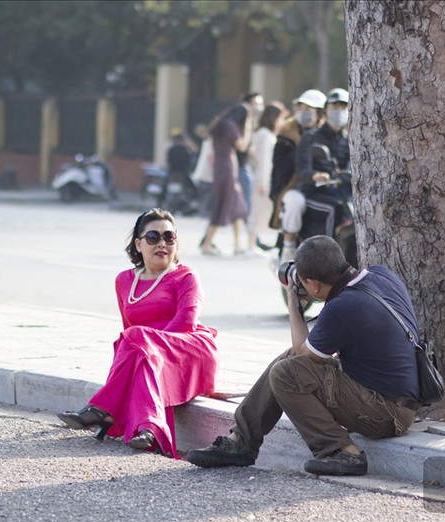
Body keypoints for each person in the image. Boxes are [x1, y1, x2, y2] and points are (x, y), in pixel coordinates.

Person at [186, 235, 421, 476]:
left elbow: (304, 355)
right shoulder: (381, 275)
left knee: (287, 373)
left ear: (314, 284)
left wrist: (292, 302)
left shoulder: (342, 307)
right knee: (290, 359)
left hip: (387, 413)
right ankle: (241, 441)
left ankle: (342, 452)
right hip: (395, 399)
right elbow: (302, 352)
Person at [58, 209, 219, 458]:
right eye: (153, 237)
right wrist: (147, 352)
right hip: (149, 354)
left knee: (138, 340)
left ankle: (102, 409)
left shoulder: (186, 276)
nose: (162, 243)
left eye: (169, 237)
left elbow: (186, 322)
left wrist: (150, 348)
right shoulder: (124, 280)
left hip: (188, 349)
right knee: (136, 343)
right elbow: (126, 328)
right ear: (138, 243)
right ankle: (148, 430)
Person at [281, 88, 350, 262]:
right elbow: (302, 171)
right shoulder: (311, 137)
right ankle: (326, 258)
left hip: (343, 193)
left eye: (343, 107)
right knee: (334, 208)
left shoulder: (350, 139)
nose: (338, 111)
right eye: (335, 106)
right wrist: (316, 176)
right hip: (314, 193)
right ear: (326, 109)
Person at [268, 89, 327, 262]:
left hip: (321, 188)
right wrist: (302, 146)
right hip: (291, 187)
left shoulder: (325, 135)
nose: (305, 112)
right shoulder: (286, 135)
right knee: (295, 203)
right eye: (302, 108)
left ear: (319, 113)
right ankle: (288, 246)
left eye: (310, 109)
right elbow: (280, 168)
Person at [200, 103, 252, 256]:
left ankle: (237, 245)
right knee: (222, 205)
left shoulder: (222, 124)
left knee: (238, 207)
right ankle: (207, 243)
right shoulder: (231, 126)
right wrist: (248, 128)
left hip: (223, 168)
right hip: (227, 169)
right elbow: (242, 146)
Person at [247, 102, 285, 254]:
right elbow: (264, 160)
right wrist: (264, 182)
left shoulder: (263, 133)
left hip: (263, 176)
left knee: (259, 211)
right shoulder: (265, 135)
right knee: (257, 212)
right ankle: (251, 245)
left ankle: (253, 244)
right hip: (263, 178)